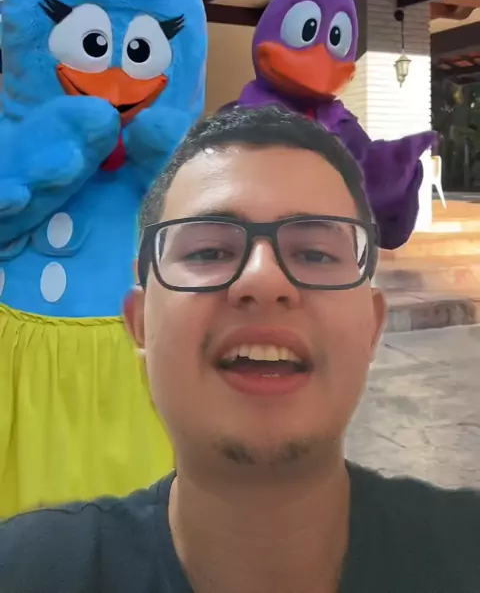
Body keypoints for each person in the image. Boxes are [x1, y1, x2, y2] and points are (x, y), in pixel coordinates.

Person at [0, 105, 479, 593]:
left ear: (373, 326)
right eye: (209, 251)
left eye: (315, 253)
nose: (263, 280)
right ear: (140, 322)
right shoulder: (30, 571)